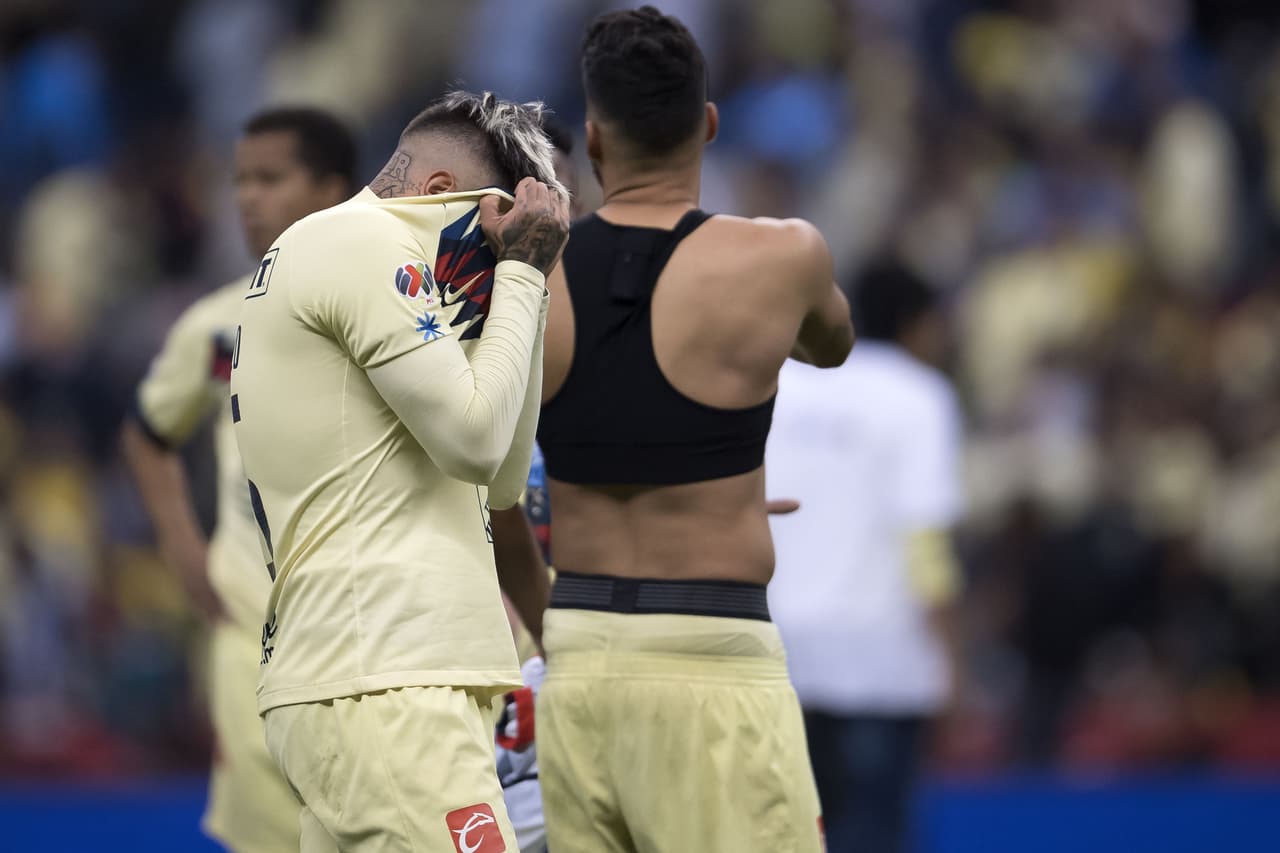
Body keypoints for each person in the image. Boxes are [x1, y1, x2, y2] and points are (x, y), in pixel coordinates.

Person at [532, 8, 855, 852]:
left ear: (593, 138)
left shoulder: (525, 276)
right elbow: (831, 343)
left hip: (576, 666)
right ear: (709, 125)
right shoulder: (784, 256)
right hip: (712, 657)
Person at [229, 90, 568, 853]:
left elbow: (503, 479)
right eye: (494, 228)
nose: (490, 253)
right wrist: (518, 276)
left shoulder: (324, 253)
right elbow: (478, 444)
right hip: (388, 682)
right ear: (440, 193)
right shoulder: (361, 244)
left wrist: (528, 285)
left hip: (368, 682)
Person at [121, 107, 358, 853]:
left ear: (333, 189)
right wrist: (184, 546)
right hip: (246, 636)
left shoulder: (389, 315)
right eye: (239, 181)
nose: (247, 198)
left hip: (360, 630)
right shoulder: (217, 326)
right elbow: (147, 433)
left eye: (270, 178)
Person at [767, 261, 966, 853]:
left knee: (787, 833)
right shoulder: (919, 396)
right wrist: (952, 658)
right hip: (883, 659)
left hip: (778, 652)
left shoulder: (781, 383)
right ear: (917, 323)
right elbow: (926, 544)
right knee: (873, 832)